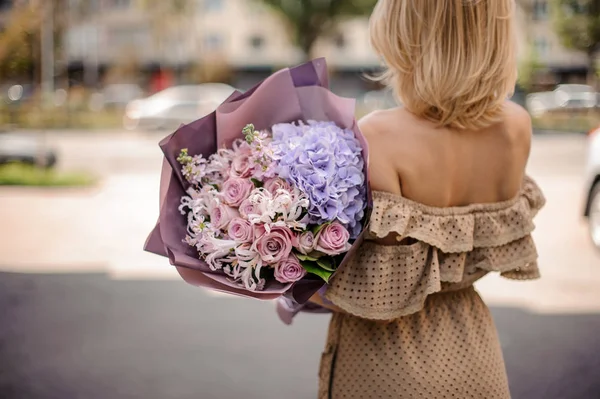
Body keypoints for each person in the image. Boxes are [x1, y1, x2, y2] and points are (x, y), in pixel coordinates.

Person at [309, 1, 546, 398]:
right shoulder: (516, 127)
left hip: (389, 366)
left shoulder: (378, 136)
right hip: (475, 354)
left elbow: (383, 301)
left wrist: (286, 273)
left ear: (405, 31)